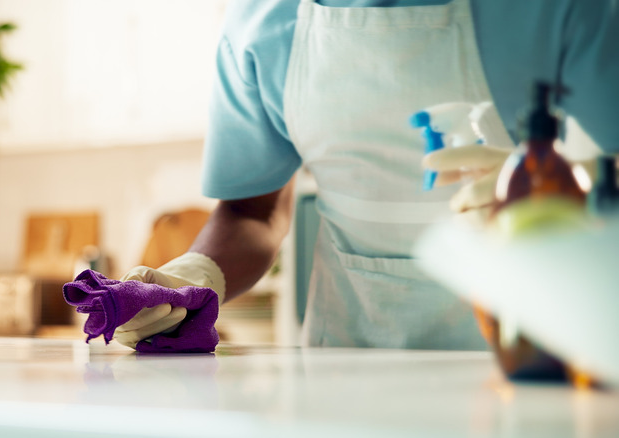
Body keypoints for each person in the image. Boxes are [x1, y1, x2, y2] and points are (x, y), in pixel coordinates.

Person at [112, 0, 619, 350]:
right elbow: (253, 210)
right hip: (344, 368)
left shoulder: (551, 10)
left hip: (523, 360)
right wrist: (198, 275)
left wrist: (576, 191)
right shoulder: (262, 22)